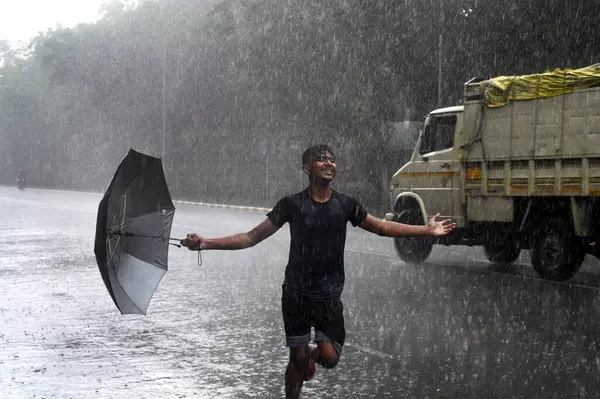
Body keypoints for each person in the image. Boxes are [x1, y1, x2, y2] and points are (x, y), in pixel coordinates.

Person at [183, 144, 455, 398]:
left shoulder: (346, 204)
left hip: (329, 296)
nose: (329, 163)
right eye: (321, 159)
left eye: (332, 159)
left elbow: (383, 227)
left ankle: (313, 355)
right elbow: (251, 237)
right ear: (307, 169)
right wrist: (206, 243)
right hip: (296, 294)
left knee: (330, 358)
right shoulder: (291, 204)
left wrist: (427, 230)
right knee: (296, 359)